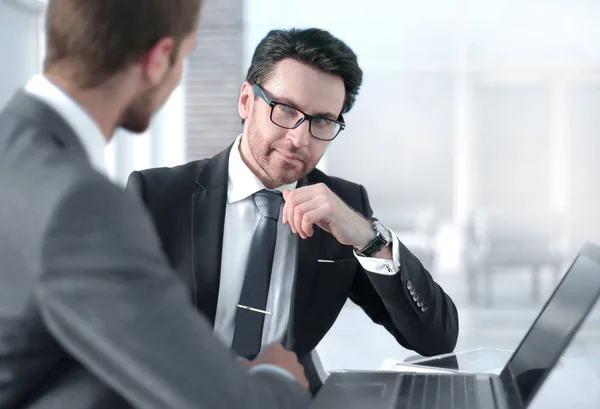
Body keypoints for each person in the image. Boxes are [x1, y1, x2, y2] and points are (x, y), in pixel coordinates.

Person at [0, 1, 312, 408]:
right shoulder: (81, 205)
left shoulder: (15, 148)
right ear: (159, 58)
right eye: (184, 57)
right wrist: (278, 376)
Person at [126, 27, 460, 394]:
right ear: (245, 102)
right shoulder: (157, 197)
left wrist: (368, 238)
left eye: (322, 121)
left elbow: (437, 340)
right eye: (285, 110)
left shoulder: (342, 208)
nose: (299, 139)